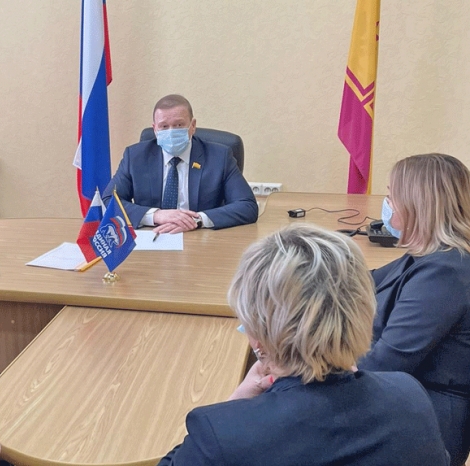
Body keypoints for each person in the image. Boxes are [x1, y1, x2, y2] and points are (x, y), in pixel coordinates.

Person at [158, 223, 449, 466]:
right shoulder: (410, 397)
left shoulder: (220, 435)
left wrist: (233, 406)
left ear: (258, 336)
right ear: (363, 311)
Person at [357, 153, 470, 466]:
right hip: (400, 401)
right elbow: (360, 283)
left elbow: (384, 362)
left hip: (424, 425)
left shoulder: (444, 273)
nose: (386, 205)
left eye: (391, 197)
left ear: (416, 205)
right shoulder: (426, 256)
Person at [103, 94, 258, 233]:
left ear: (193, 126)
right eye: (164, 126)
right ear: (155, 129)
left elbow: (247, 206)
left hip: (201, 238)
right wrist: (155, 215)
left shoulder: (219, 156)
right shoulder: (135, 157)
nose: (171, 131)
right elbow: (109, 201)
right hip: (153, 236)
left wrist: (197, 220)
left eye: (179, 125)